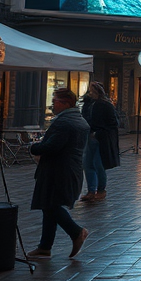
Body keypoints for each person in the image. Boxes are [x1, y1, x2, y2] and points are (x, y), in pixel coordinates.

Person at [27, 88, 90, 259]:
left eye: (55, 101)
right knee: (49, 206)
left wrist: (33, 147)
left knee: (50, 205)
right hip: (70, 169)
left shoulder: (64, 123)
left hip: (58, 170)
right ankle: (45, 246)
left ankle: (76, 232)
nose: (52, 104)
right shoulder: (78, 119)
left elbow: (52, 147)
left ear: (65, 103)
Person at [79, 82, 120, 202]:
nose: (90, 93)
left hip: (100, 139)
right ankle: (91, 190)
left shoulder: (106, 105)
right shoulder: (87, 104)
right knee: (87, 164)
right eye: (89, 91)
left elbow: (113, 123)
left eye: (92, 91)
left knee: (98, 164)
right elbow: (84, 118)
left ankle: (101, 190)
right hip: (89, 137)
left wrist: (98, 133)